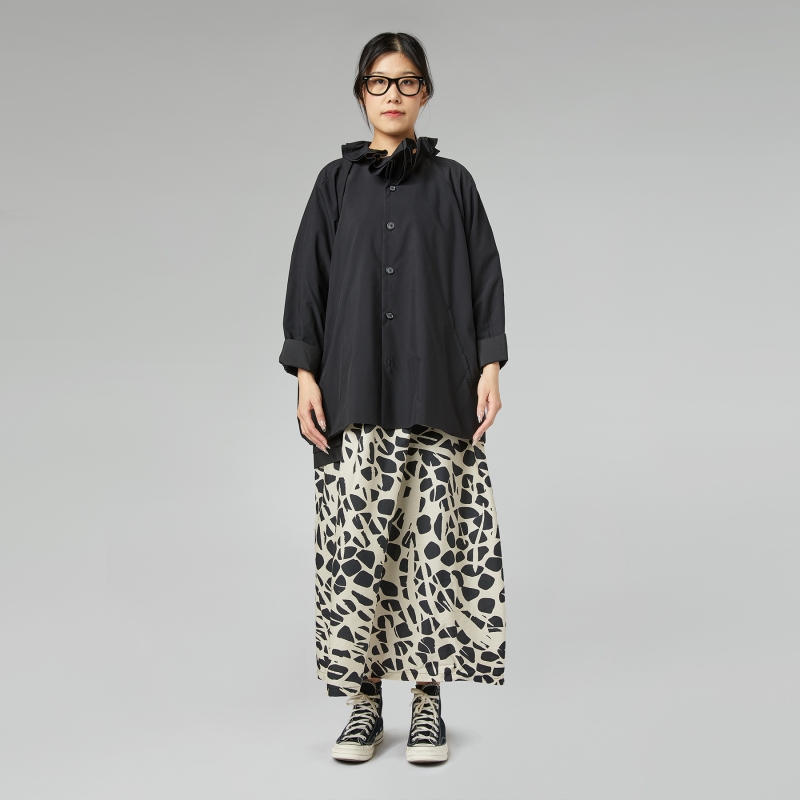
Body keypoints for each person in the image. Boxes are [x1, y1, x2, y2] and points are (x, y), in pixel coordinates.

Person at [278, 31, 509, 765]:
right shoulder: (334, 185)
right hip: (350, 394)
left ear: (425, 93)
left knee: (430, 549)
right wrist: (305, 374)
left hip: (435, 391)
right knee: (358, 553)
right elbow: (307, 280)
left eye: (407, 82)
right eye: (379, 82)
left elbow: (484, 276)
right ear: (361, 93)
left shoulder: (455, 184)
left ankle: (428, 703)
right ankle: (364, 705)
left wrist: (490, 364)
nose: (393, 95)